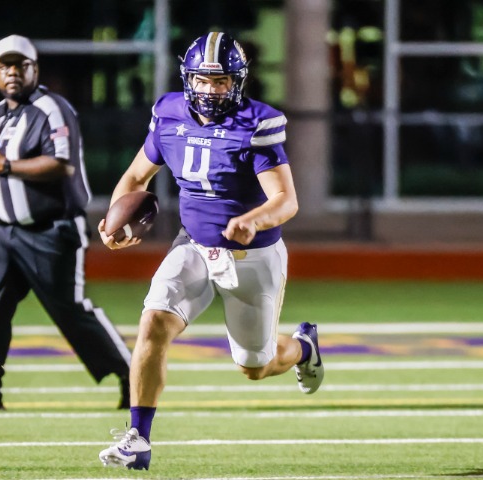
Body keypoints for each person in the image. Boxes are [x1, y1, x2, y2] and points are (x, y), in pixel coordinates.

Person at [97, 32, 324, 470]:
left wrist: (254, 220)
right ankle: (138, 439)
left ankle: (302, 348)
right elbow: (135, 178)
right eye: (203, 80)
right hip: (195, 247)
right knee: (153, 322)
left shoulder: (255, 124)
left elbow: (285, 200)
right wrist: (113, 222)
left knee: (255, 366)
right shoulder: (168, 115)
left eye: (221, 81)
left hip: (252, 257)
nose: (211, 90)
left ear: (237, 82)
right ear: (188, 79)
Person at [0, 34, 131, 413]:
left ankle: (132, 375)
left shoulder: (52, 109)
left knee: (71, 312)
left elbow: (62, 164)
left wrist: (6, 166)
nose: (12, 72)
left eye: (20, 65)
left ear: (34, 69)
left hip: (48, 231)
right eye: (4, 66)